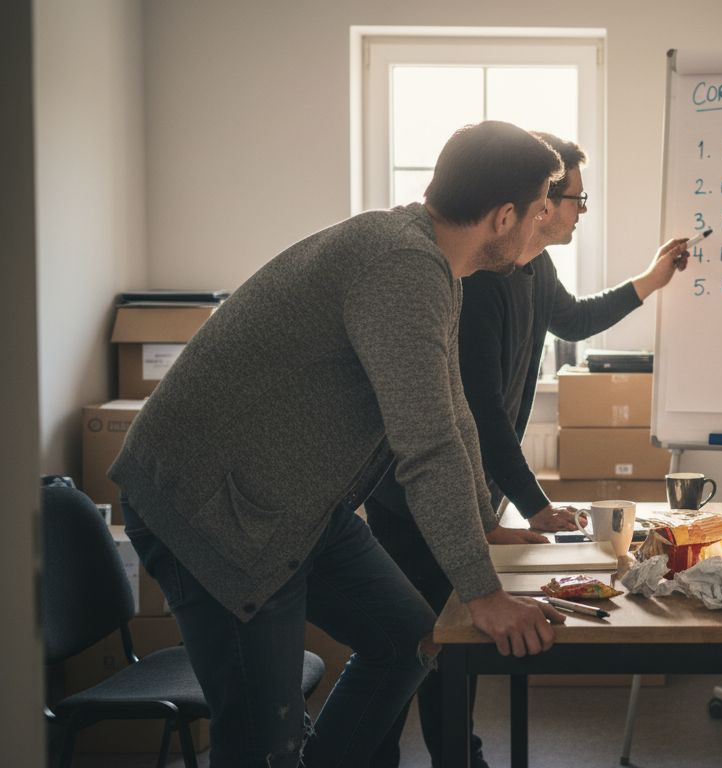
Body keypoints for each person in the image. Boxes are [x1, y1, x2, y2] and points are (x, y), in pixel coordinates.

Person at [109, 121, 569, 768]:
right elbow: (426, 443)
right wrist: (482, 594)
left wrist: (481, 532)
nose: (542, 229)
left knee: (408, 638)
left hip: (294, 506)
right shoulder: (401, 266)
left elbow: (454, 414)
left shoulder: (428, 264)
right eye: (540, 212)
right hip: (212, 510)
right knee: (263, 746)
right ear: (503, 217)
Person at [366, 133, 689, 767]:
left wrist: (651, 281)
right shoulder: (479, 279)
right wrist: (534, 504)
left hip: (472, 482)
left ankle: (457, 752)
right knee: (424, 639)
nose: (577, 210)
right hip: (416, 495)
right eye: (571, 197)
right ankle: (416, 755)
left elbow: (570, 321)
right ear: (537, 206)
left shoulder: (536, 268)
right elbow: (480, 411)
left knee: (442, 640)